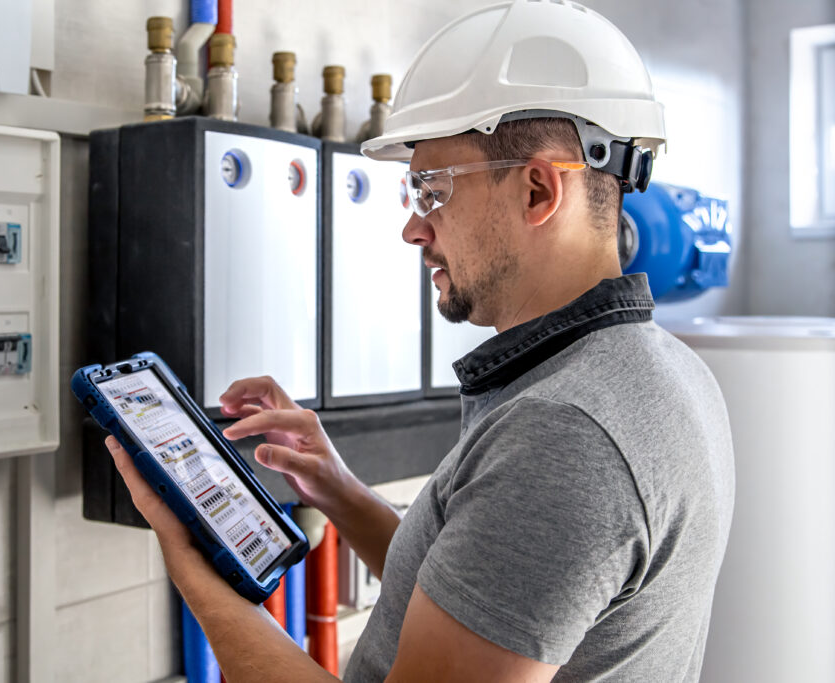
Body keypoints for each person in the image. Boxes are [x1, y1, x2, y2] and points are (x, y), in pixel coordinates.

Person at [104, 1, 735, 681]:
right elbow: (487, 597)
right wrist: (339, 489)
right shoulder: (664, 370)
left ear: (537, 190)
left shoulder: (565, 434)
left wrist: (197, 569)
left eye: (432, 191)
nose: (412, 227)